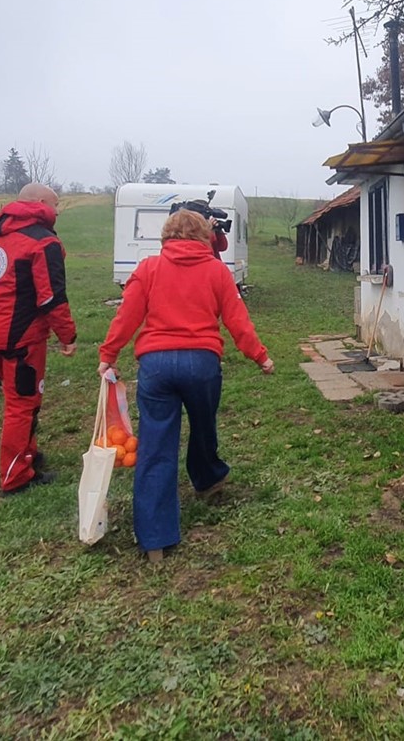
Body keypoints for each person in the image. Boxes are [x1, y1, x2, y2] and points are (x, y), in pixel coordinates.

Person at [98, 208, 274, 562]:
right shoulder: (217, 271)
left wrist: (109, 354)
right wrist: (260, 356)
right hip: (202, 363)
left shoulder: (148, 268)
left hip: (156, 365)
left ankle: (155, 539)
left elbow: (127, 315)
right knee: (203, 425)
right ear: (205, 237)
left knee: (155, 447)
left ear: (166, 236)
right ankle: (208, 479)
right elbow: (237, 319)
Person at [0, 183, 78, 495]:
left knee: (19, 398)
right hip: (21, 336)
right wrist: (67, 335)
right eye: (56, 204)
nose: (58, 211)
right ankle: (16, 476)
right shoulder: (44, 242)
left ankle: (29, 454)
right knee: (22, 404)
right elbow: (52, 297)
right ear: (41, 203)